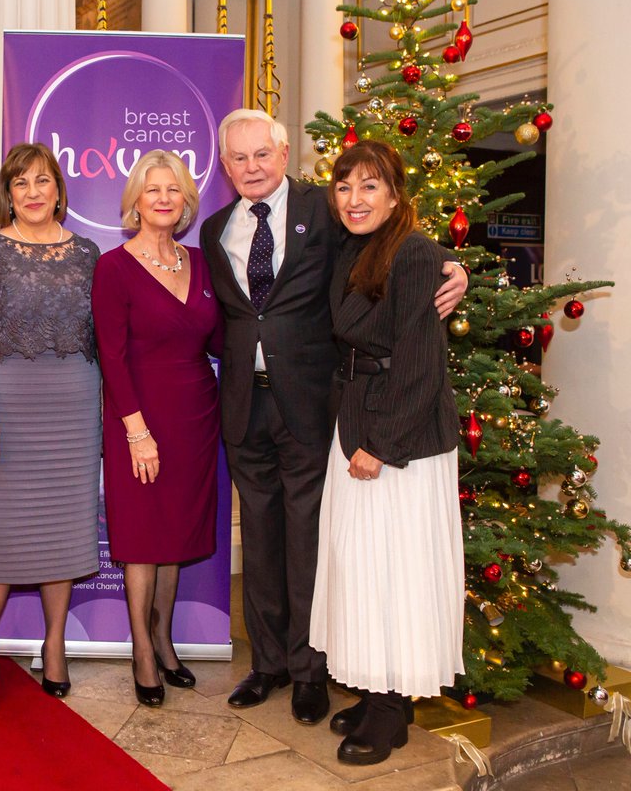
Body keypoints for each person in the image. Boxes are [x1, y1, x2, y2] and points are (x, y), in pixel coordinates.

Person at [198, 109, 468, 725]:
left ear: (285, 152)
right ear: (224, 165)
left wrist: (456, 267)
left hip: (316, 402)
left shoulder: (326, 207)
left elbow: (395, 240)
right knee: (260, 540)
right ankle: (266, 663)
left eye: (261, 154)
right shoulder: (215, 230)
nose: (251, 167)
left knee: (310, 538)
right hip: (244, 402)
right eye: (237, 158)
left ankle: (308, 670)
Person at [309, 139, 464, 765]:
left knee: (395, 568)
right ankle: (379, 691)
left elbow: (423, 365)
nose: (354, 199)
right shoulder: (355, 248)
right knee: (361, 564)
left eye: (370, 186)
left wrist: (382, 446)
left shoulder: (416, 253)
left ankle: (391, 712)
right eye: (344, 187)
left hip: (400, 439)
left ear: (396, 195)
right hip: (355, 419)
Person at [0, 143, 101, 709]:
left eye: (43, 181)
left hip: (73, 411)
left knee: (63, 531)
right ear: (7, 195)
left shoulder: (89, 254)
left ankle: (56, 645)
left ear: (59, 190)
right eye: (21, 184)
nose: (34, 192)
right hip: (6, 408)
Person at [91, 150, 221, 707]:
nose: (164, 197)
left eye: (174, 189)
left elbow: (219, 339)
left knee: (175, 535)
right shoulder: (113, 266)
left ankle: (165, 638)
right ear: (135, 202)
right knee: (142, 538)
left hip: (196, 415)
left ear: (186, 200)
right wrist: (136, 431)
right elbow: (111, 358)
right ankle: (142, 649)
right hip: (136, 415)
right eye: (152, 190)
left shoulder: (202, 261)